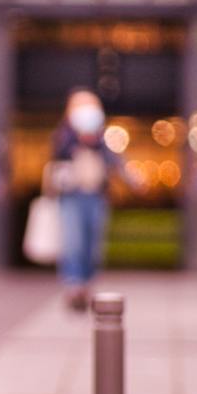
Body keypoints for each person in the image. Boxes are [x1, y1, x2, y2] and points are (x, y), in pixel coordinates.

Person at [48, 89, 131, 311]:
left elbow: (115, 161)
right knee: (72, 242)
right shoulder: (64, 135)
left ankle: (87, 283)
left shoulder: (102, 139)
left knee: (92, 244)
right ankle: (74, 285)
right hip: (72, 196)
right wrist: (78, 136)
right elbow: (58, 152)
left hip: (96, 196)